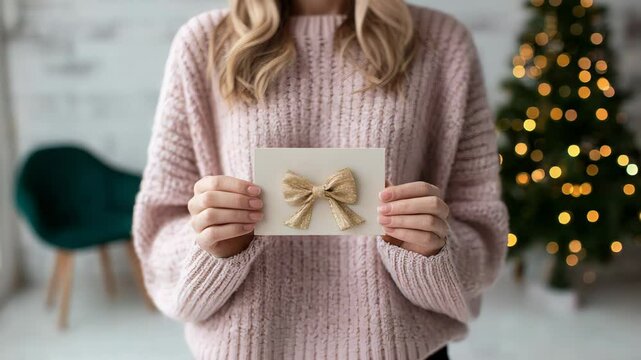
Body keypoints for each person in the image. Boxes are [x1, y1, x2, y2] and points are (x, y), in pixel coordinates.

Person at [133, 0, 509, 358]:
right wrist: (212, 247)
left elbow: (482, 233)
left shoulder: (443, 43)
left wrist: (430, 252)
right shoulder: (203, 43)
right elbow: (159, 238)